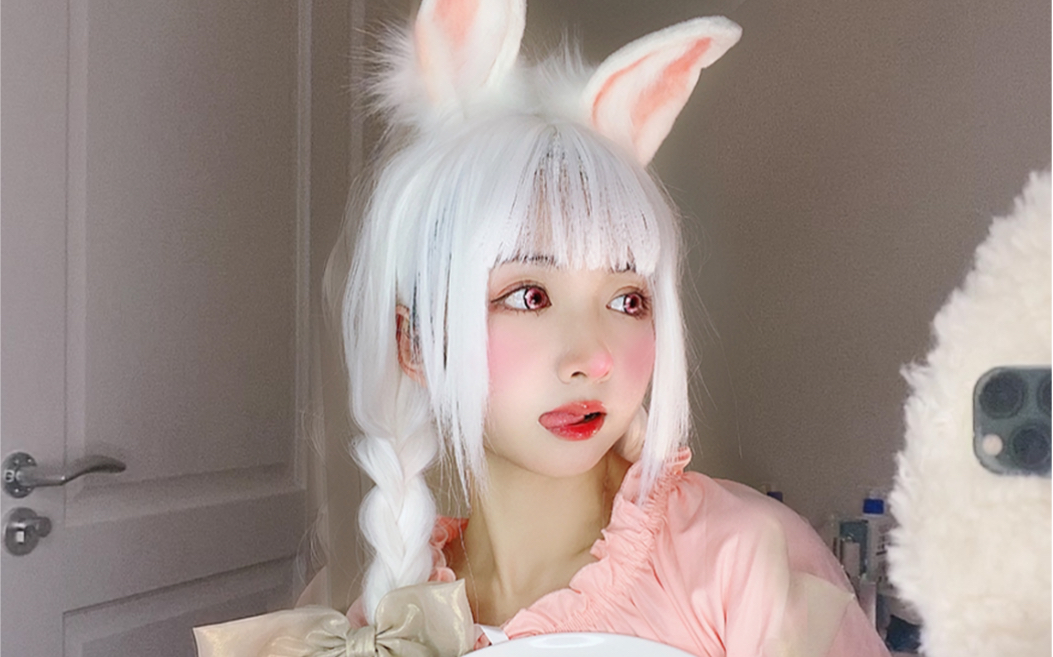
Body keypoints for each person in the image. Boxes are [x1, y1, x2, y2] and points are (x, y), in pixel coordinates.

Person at [195, 1, 890, 655]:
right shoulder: (364, 615)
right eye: (529, 296)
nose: (593, 357)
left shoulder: (745, 558)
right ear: (415, 344)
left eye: (627, 300)